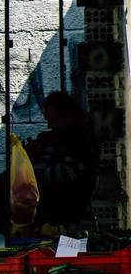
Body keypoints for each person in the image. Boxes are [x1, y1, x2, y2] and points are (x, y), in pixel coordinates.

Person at [24, 91, 98, 228]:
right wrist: (26, 158)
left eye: (53, 121)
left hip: (65, 210)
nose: (49, 126)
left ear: (67, 118)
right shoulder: (47, 139)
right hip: (42, 209)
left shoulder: (81, 143)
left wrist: (31, 176)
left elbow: (64, 173)